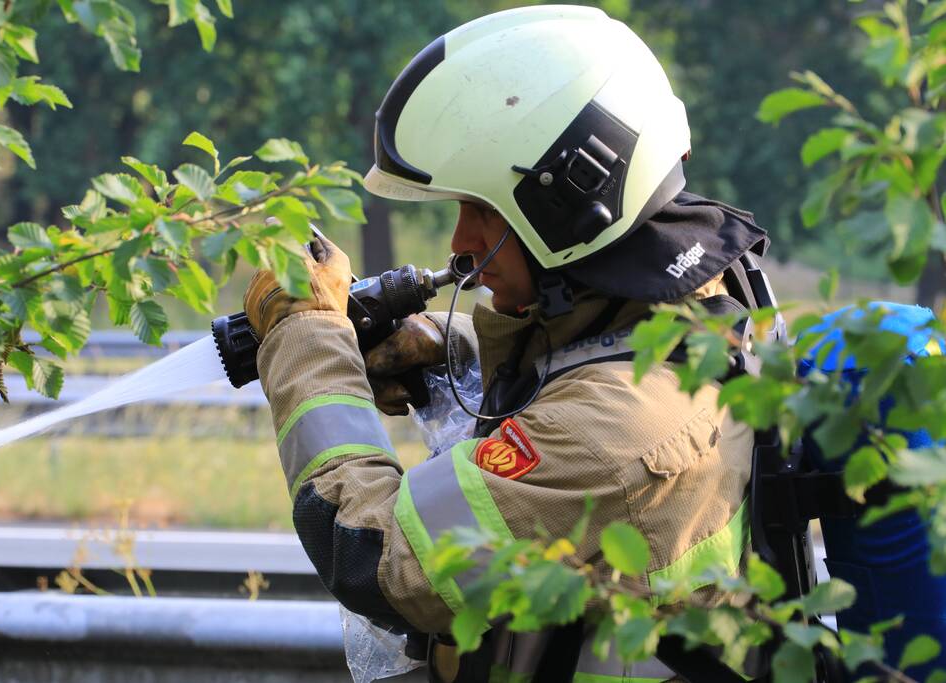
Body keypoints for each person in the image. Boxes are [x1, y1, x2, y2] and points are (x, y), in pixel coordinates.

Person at [243, 6, 770, 681]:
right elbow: (598, 352)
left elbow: (372, 554)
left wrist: (306, 338)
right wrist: (445, 346)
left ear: (572, 205)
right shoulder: (707, 298)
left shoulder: (605, 436)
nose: (461, 244)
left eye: (483, 211)